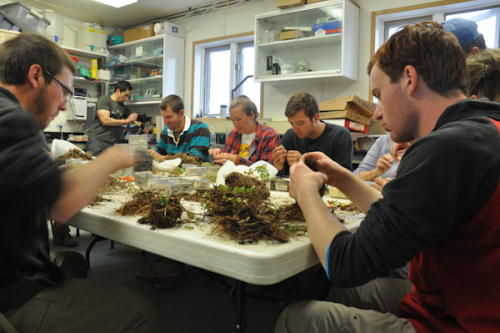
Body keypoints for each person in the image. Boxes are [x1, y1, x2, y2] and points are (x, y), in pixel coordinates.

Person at [275, 21, 500, 332]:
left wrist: (306, 194)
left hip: (459, 322)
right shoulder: (481, 130)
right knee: (344, 293)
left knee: (296, 316)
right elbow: (398, 216)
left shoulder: (446, 149)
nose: (377, 112)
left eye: (379, 95)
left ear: (409, 79)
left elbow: (343, 264)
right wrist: (343, 178)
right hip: (455, 297)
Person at [0, 33, 157, 331]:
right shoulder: (11, 119)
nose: (63, 106)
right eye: (64, 91)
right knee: (141, 304)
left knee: (74, 263)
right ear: (36, 75)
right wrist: (112, 159)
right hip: (9, 293)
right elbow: (59, 206)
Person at [272, 92, 353, 175]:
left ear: (316, 118)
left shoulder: (340, 136)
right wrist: (278, 167)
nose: (295, 129)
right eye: (291, 123)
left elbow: (344, 179)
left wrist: (305, 165)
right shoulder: (290, 135)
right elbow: (280, 179)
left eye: (300, 123)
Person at [209, 95, 281, 165]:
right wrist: (218, 155)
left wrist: (237, 160)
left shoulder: (269, 135)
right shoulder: (233, 134)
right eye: (233, 120)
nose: (235, 124)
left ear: (251, 115)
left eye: (238, 119)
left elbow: (267, 170)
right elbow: (223, 164)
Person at [149, 94, 210, 162]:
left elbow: (194, 160)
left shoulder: (199, 128)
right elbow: (156, 154)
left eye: (169, 117)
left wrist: (163, 158)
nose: (165, 122)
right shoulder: (166, 131)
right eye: (163, 117)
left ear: (181, 113)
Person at [86, 81, 141, 156]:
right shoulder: (105, 100)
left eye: (128, 96)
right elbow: (105, 120)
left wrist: (142, 126)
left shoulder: (122, 107)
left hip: (111, 144)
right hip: (97, 141)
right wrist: (126, 121)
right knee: (95, 166)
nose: (126, 99)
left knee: (108, 167)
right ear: (118, 91)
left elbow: (133, 118)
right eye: (125, 95)